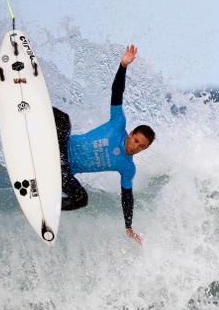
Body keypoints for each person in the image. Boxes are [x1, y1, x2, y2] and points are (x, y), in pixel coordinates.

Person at [53, 45, 155, 246]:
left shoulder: (128, 168)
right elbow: (117, 92)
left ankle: (46, 207)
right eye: (136, 141)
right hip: (59, 147)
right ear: (132, 133)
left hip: (63, 170)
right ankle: (28, 108)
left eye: (141, 146)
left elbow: (127, 196)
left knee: (81, 199)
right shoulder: (118, 124)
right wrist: (123, 66)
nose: (136, 147)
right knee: (63, 119)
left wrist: (129, 226)